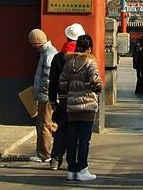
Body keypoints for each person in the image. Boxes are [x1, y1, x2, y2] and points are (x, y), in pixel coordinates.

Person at [58, 34, 103, 182]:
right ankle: (82, 169)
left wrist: (72, 88)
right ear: (89, 49)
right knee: (84, 139)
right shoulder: (90, 62)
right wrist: (95, 87)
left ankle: (71, 170)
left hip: (72, 104)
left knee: (72, 138)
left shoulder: (68, 62)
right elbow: (96, 82)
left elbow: (62, 83)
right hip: (88, 105)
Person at [47, 23, 86, 171]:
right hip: (79, 98)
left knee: (61, 129)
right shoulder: (84, 58)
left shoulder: (58, 57)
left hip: (63, 98)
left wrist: (52, 99)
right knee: (76, 129)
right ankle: (73, 161)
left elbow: (53, 80)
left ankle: (56, 159)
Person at [28, 28, 57, 163]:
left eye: (32, 43)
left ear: (36, 41)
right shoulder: (46, 53)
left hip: (45, 96)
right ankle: (45, 151)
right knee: (45, 123)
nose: (32, 46)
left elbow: (48, 77)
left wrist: (44, 91)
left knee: (44, 124)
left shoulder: (48, 54)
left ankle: (44, 154)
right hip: (44, 95)